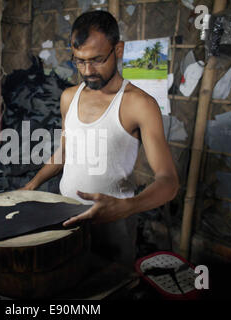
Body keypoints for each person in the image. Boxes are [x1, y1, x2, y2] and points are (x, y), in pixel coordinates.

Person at [21, 10, 179, 266]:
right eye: (80, 61)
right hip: (67, 214)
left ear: (118, 50)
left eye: (97, 60)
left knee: (110, 287)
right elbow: (65, 151)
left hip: (114, 222)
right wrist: (32, 184)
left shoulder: (139, 105)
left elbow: (169, 181)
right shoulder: (69, 97)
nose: (87, 70)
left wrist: (128, 207)